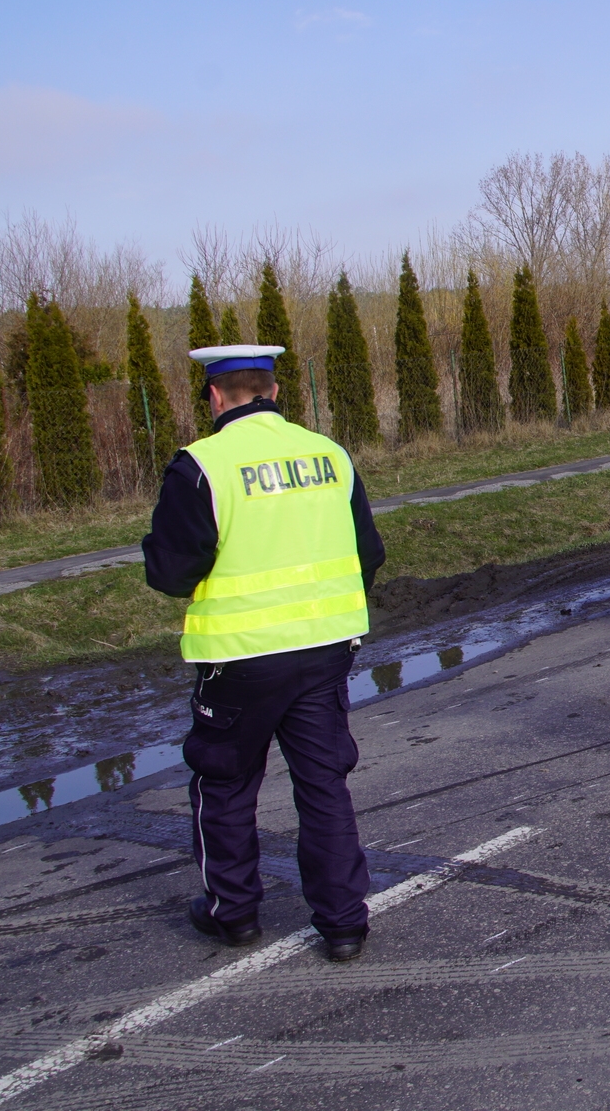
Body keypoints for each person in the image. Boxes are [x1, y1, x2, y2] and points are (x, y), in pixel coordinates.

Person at [143, 344, 385, 960]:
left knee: (224, 784)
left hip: (239, 657)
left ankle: (234, 915)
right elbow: (368, 554)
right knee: (324, 785)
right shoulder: (329, 455)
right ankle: (344, 925)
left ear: (215, 397)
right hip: (325, 648)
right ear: (276, 392)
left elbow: (172, 571)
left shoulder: (202, 465)